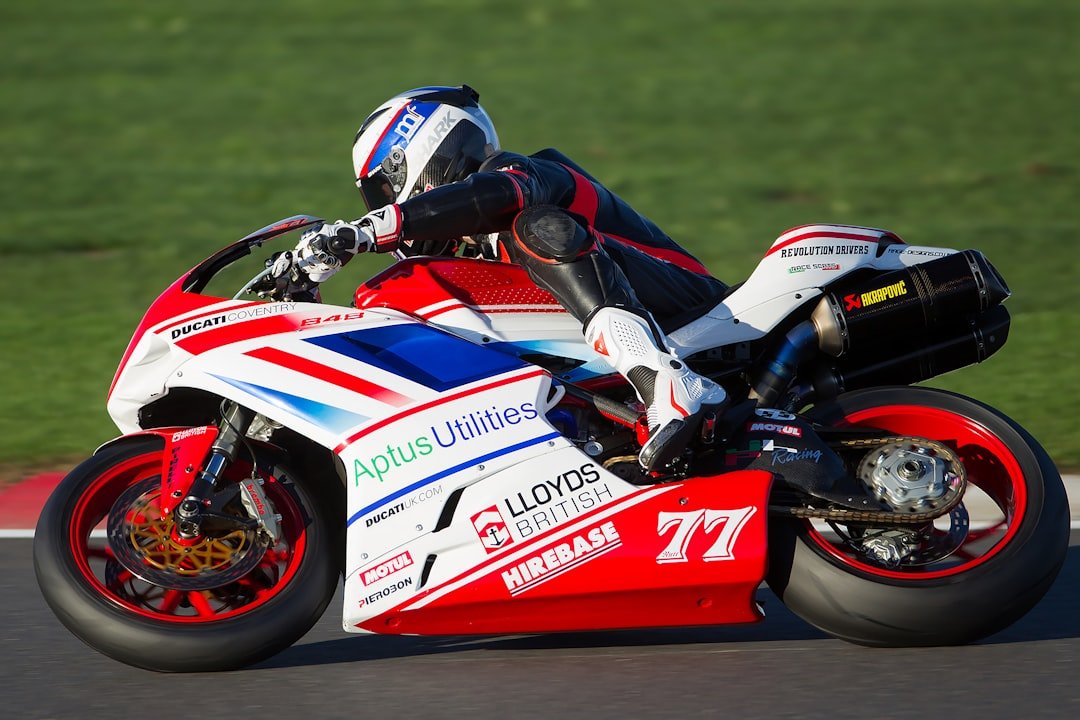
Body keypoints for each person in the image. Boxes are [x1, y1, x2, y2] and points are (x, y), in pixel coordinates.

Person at [288, 85, 728, 471]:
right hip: (633, 334)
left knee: (532, 226)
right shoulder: (472, 255)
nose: (378, 206)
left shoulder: (522, 173)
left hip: (694, 309)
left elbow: (501, 196)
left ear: (419, 155)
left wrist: (372, 230)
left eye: (383, 190)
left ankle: (660, 377)